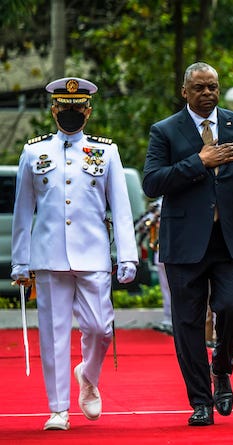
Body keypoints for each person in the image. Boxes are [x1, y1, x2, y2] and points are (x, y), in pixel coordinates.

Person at [142, 62, 233, 427]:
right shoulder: (165, 131)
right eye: (199, 88)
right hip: (185, 243)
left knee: (232, 308)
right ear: (184, 91)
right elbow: (152, 183)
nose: (207, 94)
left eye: (213, 87)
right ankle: (200, 400)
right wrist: (199, 161)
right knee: (187, 324)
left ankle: (223, 365)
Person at [11, 77, 138, 430]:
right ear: (54, 110)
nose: (70, 113)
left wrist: (127, 256)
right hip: (49, 254)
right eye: (64, 107)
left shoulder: (106, 151)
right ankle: (58, 408)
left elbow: (121, 207)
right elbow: (23, 210)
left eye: (77, 108)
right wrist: (20, 261)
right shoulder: (34, 152)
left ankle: (88, 372)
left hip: (93, 253)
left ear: (88, 111)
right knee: (53, 333)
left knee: (100, 328)